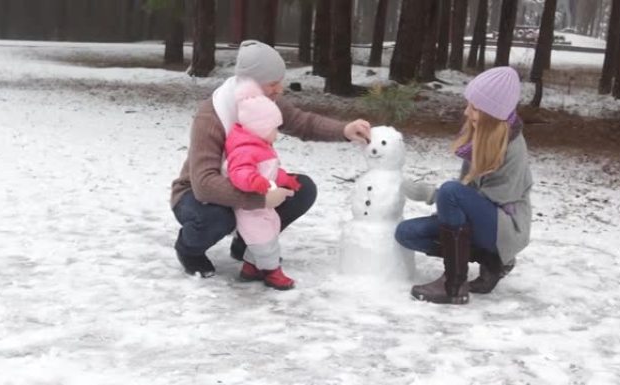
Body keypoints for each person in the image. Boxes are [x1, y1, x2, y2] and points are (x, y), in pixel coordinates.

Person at [171, 40, 371, 279]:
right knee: (217, 218)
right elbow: (204, 185)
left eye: (280, 82)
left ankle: (248, 245)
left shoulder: (264, 101)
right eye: (273, 84)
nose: (280, 89)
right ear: (250, 84)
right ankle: (189, 250)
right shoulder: (210, 117)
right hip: (194, 195)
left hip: (250, 182)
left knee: (302, 189)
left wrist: (344, 130)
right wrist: (260, 198)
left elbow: (302, 122)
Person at [396, 66, 532, 305]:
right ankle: (493, 263)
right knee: (407, 233)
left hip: (505, 228)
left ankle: (454, 284)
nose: (467, 112)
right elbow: (466, 192)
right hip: (481, 224)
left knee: (450, 191)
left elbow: (485, 200)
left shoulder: (512, 148)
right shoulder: (479, 136)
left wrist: (432, 195)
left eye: (475, 108)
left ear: (492, 113)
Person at [225, 78, 301, 290]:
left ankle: (250, 267)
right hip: (250, 208)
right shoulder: (244, 149)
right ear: (259, 128)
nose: (277, 134)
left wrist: (285, 179)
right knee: (264, 242)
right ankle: (273, 271)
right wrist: (255, 182)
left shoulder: (261, 146)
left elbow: (271, 170)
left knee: (269, 232)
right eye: (274, 129)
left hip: (263, 207)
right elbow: (239, 173)